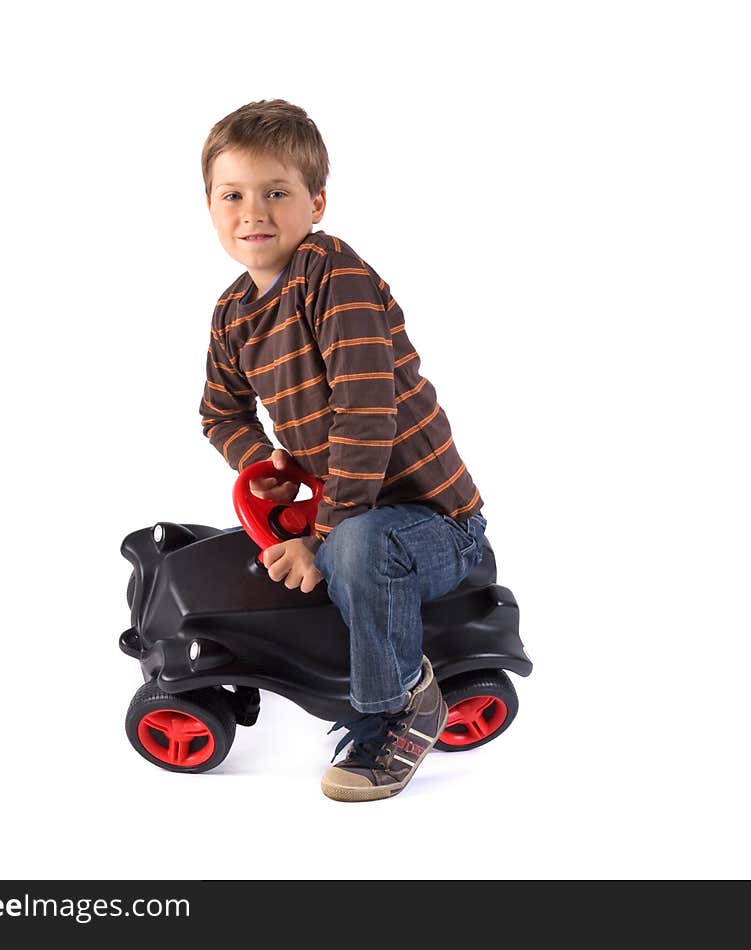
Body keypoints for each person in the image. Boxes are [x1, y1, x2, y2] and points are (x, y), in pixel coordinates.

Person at [199, 99, 488, 802]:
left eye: (276, 192)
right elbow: (219, 411)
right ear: (209, 205)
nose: (252, 212)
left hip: (430, 520)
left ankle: (400, 708)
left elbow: (365, 416)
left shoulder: (334, 276)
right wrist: (261, 464)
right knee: (287, 553)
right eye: (232, 194)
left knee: (355, 549)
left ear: (315, 202)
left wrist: (322, 535)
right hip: (348, 508)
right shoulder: (234, 314)